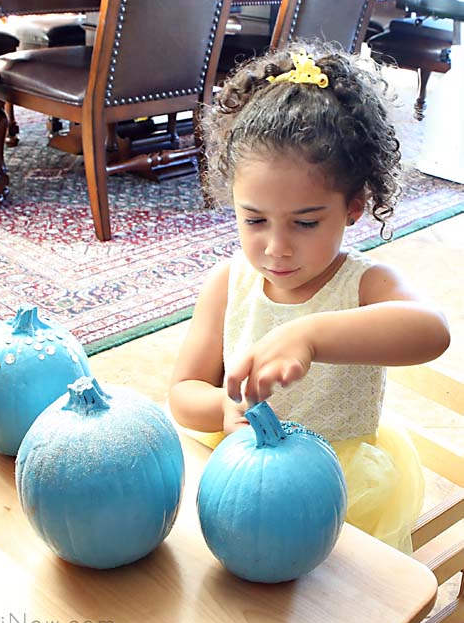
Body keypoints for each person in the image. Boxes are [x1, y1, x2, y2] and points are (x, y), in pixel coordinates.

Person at [168, 42, 450, 554]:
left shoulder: (364, 285)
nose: (276, 247)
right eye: (254, 220)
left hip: (340, 487)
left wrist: (310, 335)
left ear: (354, 208)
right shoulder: (227, 284)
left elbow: (432, 330)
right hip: (245, 473)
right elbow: (184, 391)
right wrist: (222, 412)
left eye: (305, 222)